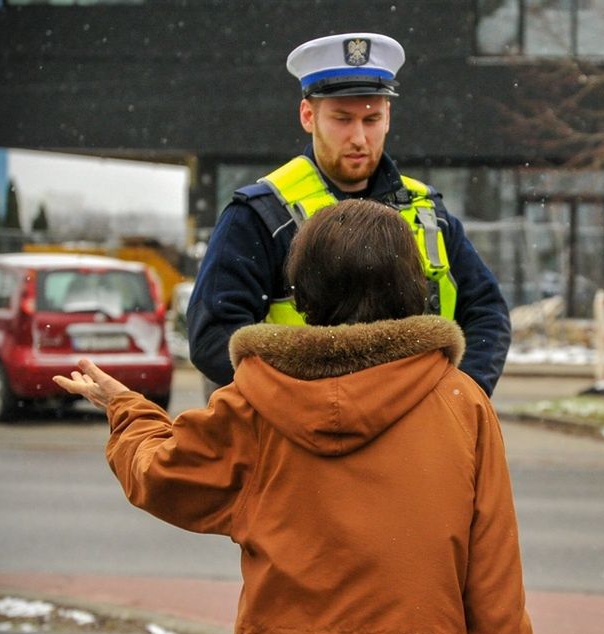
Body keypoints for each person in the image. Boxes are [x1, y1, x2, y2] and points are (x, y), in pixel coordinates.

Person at [56, 200, 537, 634]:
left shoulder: (255, 401)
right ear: (413, 286)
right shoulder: (462, 404)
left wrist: (127, 411)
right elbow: (492, 568)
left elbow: (162, 474)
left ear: (303, 290)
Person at [187, 31, 511, 397]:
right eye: (342, 119)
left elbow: (487, 314)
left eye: (371, 120)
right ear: (308, 115)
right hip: (304, 441)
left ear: (388, 117)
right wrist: (304, 407)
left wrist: (457, 398)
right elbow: (213, 337)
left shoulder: (428, 211)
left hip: (414, 438)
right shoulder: (260, 214)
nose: (358, 137)